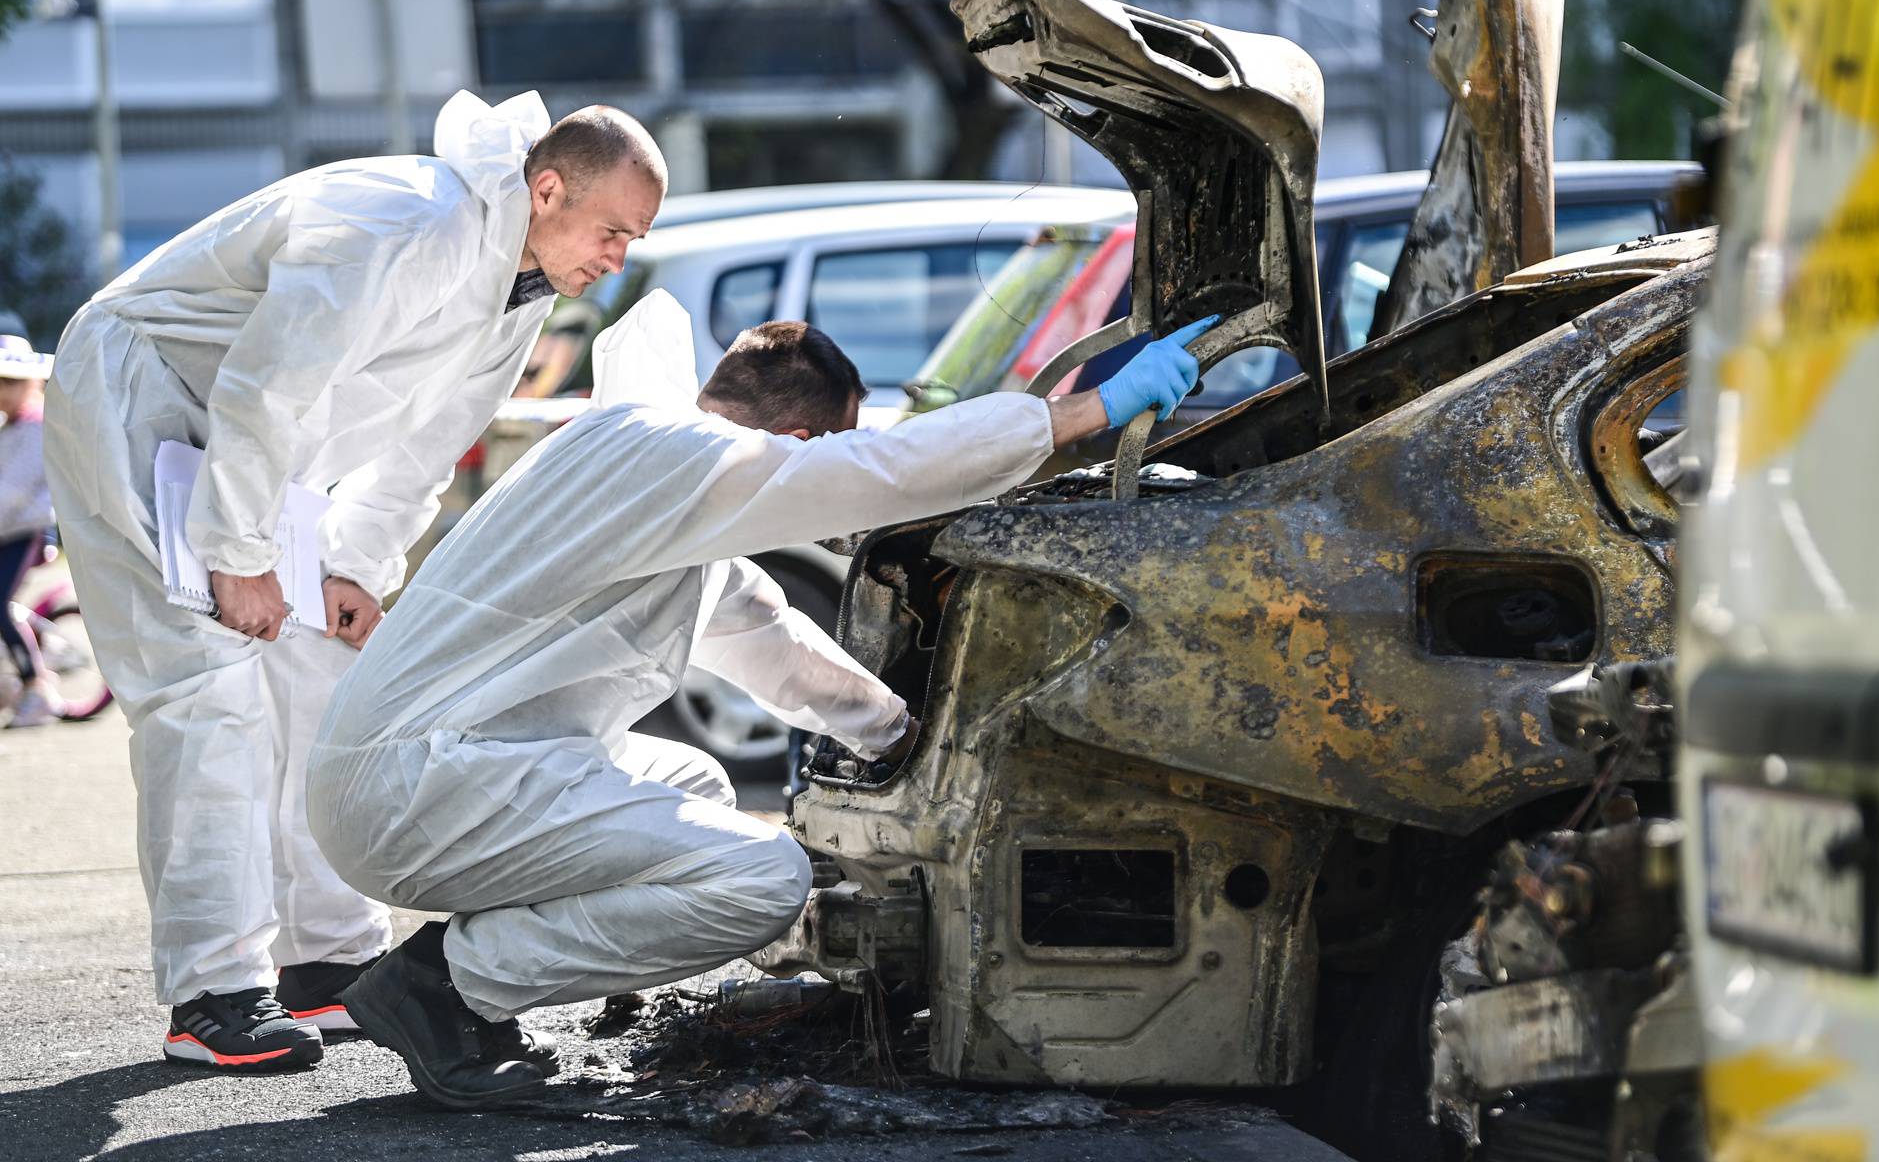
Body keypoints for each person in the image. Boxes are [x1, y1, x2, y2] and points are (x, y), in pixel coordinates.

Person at [306, 301, 1215, 1109]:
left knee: (695, 779)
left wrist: (899, 734)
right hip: (411, 789)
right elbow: (883, 467)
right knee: (764, 882)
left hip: (433, 769)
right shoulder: (661, 460)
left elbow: (769, 642)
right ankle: (448, 986)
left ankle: (474, 982)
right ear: (800, 442)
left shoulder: (669, 490)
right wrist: (1079, 415)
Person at [42, 90, 668, 1071]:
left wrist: (351, 571)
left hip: (257, 450)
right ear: (548, 190)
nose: (620, 256)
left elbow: (423, 448)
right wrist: (238, 551)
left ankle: (325, 961)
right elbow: (268, 380)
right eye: (614, 230)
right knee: (207, 694)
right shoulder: (407, 218)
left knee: (320, 681)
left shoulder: (517, 286)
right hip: (144, 394)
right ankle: (213, 992)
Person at [0, 335, 61, 728]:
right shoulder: (9, 427)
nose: (2, 390)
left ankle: (37, 687)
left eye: (10, 381)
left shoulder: (36, 428)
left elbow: (12, 493)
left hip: (27, 531)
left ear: (33, 383)